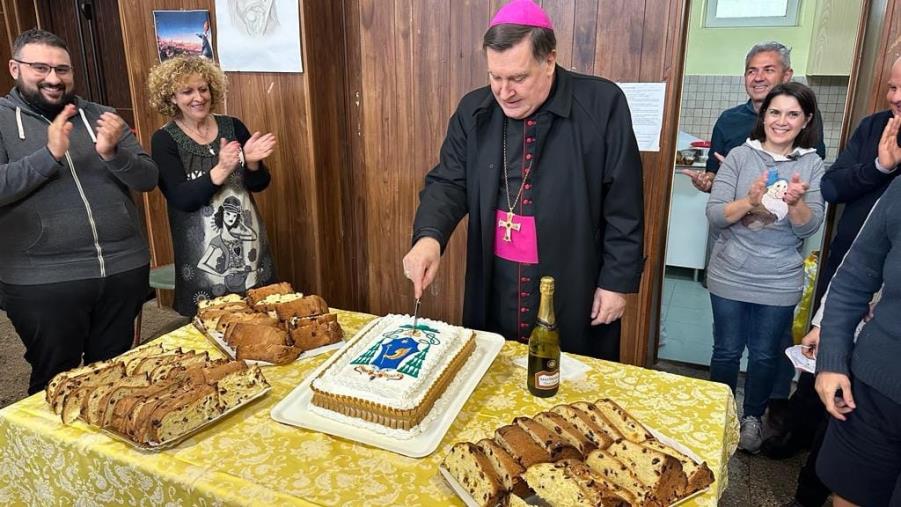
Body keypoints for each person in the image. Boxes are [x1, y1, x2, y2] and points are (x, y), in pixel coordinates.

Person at [402, 0, 644, 360]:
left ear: (549, 61)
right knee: (494, 369)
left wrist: (615, 283)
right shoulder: (474, 110)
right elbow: (449, 182)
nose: (504, 92)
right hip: (496, 278)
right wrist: (429, 238)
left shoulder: (602, 103)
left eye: (517, 78)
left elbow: (624, 203)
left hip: (572, 276)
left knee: (569, 380)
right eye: (494, 77)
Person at [0, 29, 158, 395]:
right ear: (14, 68)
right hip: (42, 283)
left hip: (122, 271)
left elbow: (148, 178)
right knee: (56, 381)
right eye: (41, 67)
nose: (54, 78)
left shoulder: (102, 116)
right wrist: (48, 156)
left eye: (62, 69)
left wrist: (112, 153)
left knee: (117, 377)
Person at [775, 56, 901, 507]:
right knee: (826, 387)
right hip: (855, 286)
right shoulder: (874, 129)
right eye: (891, 87)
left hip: (881, 316)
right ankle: (804, 479)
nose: (896, 98)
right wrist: (881, 169)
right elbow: (834, 189)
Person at [705, 82, 825, 453]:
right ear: (763, 115)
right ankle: (718, 414)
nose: (782, 121)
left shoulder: (812, 162)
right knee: (726, 351)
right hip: (730, 272)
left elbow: (810, 225)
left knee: (763, 354)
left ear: (805, 120)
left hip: (779, 278)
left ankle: (752, 418)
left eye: (792, 114)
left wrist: (796, 203)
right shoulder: (741, 156)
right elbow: (715, 215)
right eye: (775, 112)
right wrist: (749, 200)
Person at [147, 56, 277, 316]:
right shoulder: (164, 140)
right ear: (172, 98)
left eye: (203, 89)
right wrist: (221, 170)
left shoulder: (233, 126)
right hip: (200, 254)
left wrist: (252, 164)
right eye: (187, 91)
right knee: (211, 326)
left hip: (249, 243)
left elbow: (259, 184)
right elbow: (181, 198)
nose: (199, 97)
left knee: (261, 317)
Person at [813, 174, 901, 507]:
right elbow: (854, 275)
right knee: (849, 492)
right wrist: (832, 359)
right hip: (873, 391)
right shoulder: (898, 190)